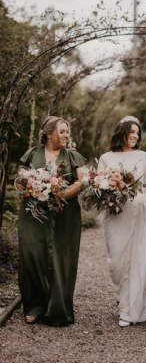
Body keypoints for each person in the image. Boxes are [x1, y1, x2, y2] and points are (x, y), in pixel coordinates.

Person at [18, 116, 86, 326]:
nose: (66, 135)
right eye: (62, 131)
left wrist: (59, 195)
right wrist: (33, 185)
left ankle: (58, 308)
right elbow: (20, 178)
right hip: (33, 214)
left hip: (65, 215)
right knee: (33, 257)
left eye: (67, 131)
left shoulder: (73, 156)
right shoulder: (32, 154)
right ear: (49, 133)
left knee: (62, 259)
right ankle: (35, 307)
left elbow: (81, 182)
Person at [98, 116, 146, 328]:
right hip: (116, 215)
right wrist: (109, 192)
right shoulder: (106, 157)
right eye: (131, 131)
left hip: (138, 214)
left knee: (137, 260)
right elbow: (98, 186)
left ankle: (129, 308)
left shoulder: (145, 157)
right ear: (121, 132)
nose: (135, 135)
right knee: (116, 262)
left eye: (137, 133)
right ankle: (123, 298)